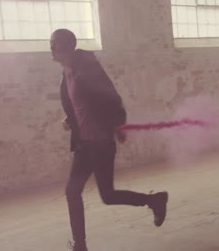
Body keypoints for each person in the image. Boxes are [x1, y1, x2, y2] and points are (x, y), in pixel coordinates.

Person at [50, 29, 168, 251]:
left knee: (108, 195)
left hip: (101, 142)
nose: (51, 49)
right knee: (72, 192)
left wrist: (119, 126)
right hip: (83, 144)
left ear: (66, 46)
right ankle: (80, 246)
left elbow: (112, 98)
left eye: (54, 44)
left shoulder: (88, 68)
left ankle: (154, 201)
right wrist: (70, 119)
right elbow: (80, 103)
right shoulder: (65, 75)